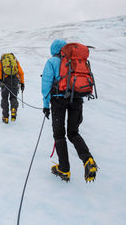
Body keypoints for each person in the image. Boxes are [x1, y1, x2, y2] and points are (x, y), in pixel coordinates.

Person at [41, 39, 97, 182]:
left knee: (59, 135)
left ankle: (64, 170)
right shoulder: (75, 61)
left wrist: (46, 105)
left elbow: (46, 85)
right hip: (76, 98)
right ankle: (88, 160)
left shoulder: (52, 62)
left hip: (59, 100)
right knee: (73, 133)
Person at [0, 53, 25, 124]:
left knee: (4, 98)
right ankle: (13, 109)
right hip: (15, 80)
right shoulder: (15, 61)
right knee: (13, 97)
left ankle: (5, 117)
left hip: (5, 81)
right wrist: (22, 83)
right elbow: (21, 72)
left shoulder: (0, 61)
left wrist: (0, 80)